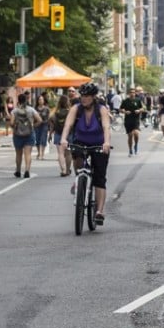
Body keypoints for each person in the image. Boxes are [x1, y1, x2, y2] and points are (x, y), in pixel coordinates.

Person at [61, 82, 112, 225]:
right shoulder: (76, 109)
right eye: (82, 96)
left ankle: (99, 211)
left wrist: (106, 142)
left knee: (99, 178)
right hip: (81, 141)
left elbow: (106, 127)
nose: (84, 99)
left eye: (87, 96)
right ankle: (79, 178)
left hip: (99, 143)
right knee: (76, 156)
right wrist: (64, 139)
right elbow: (68, 125)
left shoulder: (101, 109)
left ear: (93, 97)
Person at [9, 93, 41, 178]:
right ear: (26, 100)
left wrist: (15, 126)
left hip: (17, 135)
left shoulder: (14, 111)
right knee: (28, 154)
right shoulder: (31, 110)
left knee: (18, 154)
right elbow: (40, 120)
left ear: (18, 101)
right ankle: (27, 170)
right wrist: (33, 126)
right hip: (29, 134)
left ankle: (18, 170)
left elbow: (11, 123)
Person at [49, 94, 72, 175]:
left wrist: (50, 134)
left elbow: (52, 124)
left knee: (60, 153)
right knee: (68, 153)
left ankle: (63, 170)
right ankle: (68, 169)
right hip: (68, 134)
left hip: (58, 134)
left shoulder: (55, 112)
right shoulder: (70, 112)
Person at [120, 87, 144, 155]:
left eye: (133, 92)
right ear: (128, 93)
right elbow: (121, 109)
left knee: (136, 134)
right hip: (128, 120)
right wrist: (125, 111)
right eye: (131, 92)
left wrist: (139, 110)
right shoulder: (125, 101)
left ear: (135, 93)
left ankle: (136, 145)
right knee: (130, 135)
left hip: (135, 120)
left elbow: (142, 108)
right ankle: (130, 149)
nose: (132, 94)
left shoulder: (138, 100)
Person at [33, 93, 51, 161]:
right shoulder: (34, 109)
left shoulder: (47, 109)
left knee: (43, 140)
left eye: (42, 99)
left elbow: (49, 118)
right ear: (37, 101)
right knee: (37, 140)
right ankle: (38, 153)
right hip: (37, 126)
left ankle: (42, 154)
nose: (40, 101)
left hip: (44, 125)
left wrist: (50, 127)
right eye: (39, 99)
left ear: (43, 100)